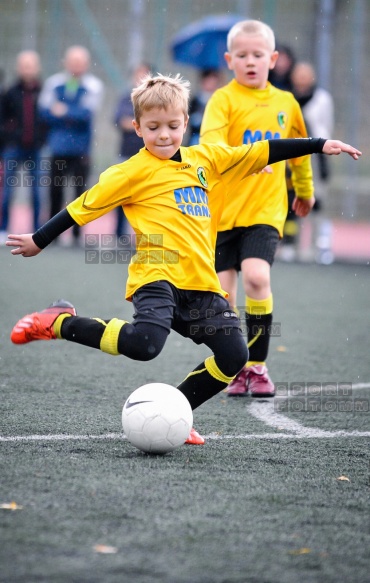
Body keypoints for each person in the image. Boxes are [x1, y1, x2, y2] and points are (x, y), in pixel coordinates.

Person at [6, 74, 360, 446]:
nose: (164, 135)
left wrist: (320, 145)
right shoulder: (128, 172)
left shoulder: (205, 159)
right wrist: (39, 239)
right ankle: (60, 322)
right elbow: (81, 208)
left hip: (200, 283)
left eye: (173, 126)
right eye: (154, 127)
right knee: (144, 345)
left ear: (185, 124)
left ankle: (179, 412)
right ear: (137, 127)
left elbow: (263, 151)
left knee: (234, 354)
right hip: (155, 276)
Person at [200, 20, 316, 397]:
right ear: (229, 60)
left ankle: (258, 366)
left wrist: (305, 190)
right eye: (243, 56)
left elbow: (299, 150)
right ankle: (234, 366)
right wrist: (249, 159)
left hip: (265, 211)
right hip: (222, 213)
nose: (251, 62)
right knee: (223, 296)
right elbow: (212, 149)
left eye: (258, 55)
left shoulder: (286, 103)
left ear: (274, 59)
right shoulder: (222, 100)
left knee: (256, 277)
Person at [38, 45, 104, 245]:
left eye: (80, 61)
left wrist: (64, 111)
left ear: (86, 64)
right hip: (57, 148)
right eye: (73, 61)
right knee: (55, 190)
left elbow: (86, 114)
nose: (76, 65)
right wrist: (71, 113)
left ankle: (76, 234)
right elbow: (45, 112)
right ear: (65, 62)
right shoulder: (54, 83)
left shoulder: (94, 85)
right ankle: (53, 234)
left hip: (81, 150)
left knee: (80, 193)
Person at [290, 61, 335, 264]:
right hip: (296, 154)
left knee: (318, 202)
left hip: (317, 155)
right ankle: (299, 246)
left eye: (305, 75)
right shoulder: (289, 99)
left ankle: (320, 245)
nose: (301, 80)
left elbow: (326, 126)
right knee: (297, 200)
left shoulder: (321, 99)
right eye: (298, 75)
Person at [0, 51, 46, 244]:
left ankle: (38, 231)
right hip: (13, 148)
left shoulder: (44, 91)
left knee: (37, 190)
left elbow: (47, 119)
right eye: (24, 65)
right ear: (19, 68)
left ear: (37, 68)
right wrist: (10, 138)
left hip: (36, 149)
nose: (28, 69)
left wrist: (41, 139)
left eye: (31, 65)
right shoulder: (10, 92)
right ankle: (3, 229)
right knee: (7, 190)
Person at [113, 63, 152, 237]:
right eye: (138, 75)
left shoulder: (154, 99)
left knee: (147, 199)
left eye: (144, 75)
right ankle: (119, 234)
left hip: (150, 157)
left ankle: (144, 236)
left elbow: (151, 123)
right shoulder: (125, 98)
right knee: (121, 196)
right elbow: (120, 121)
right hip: (127, 154)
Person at [186, 69, 224, 146]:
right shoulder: (196, 100)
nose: (212, 85)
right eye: (209, 82)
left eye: (214, 82)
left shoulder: (219, 101)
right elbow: (192, 120)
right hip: (196, 138)